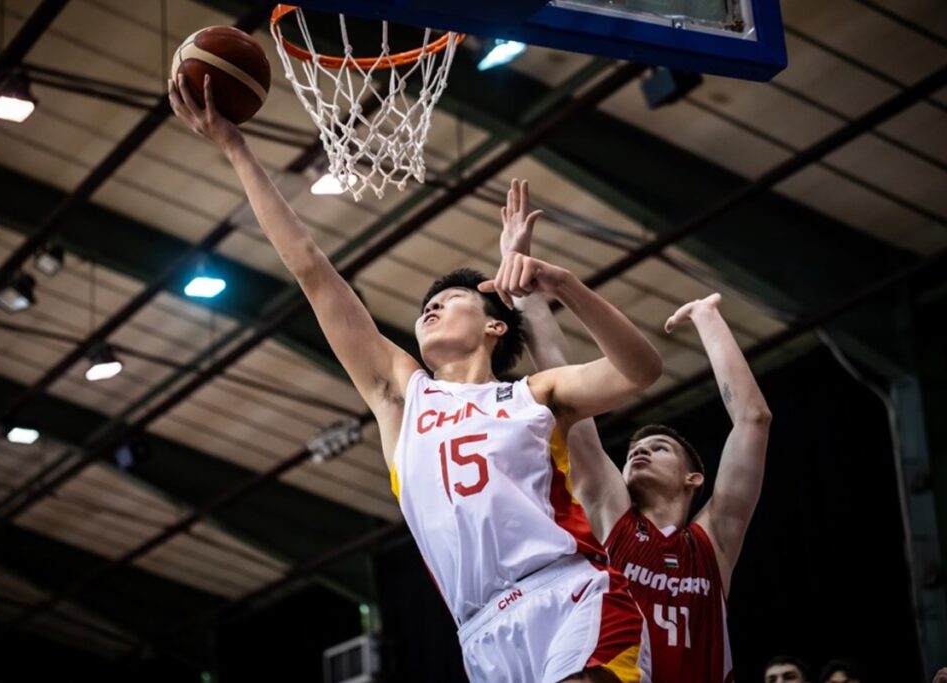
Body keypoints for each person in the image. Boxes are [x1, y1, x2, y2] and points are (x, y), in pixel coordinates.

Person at [169, 75, 663, 682]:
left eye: (451, 298)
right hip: (478, 632)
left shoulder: (534, 396)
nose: (429, 306)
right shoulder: (403, 395)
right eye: (425, 303)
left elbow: (642, 369)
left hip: (568, 598)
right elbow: (310, 268)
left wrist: (563, 286)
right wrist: (236, 149)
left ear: (494, 328)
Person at [501, 180, 771, 683]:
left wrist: (707, 317)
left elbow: (753, 421)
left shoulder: (713, 542)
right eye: (635, 449)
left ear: (695, 479)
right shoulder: (613, 515)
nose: (639, 452)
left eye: (659, 447)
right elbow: (560, 384)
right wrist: (525, 293)